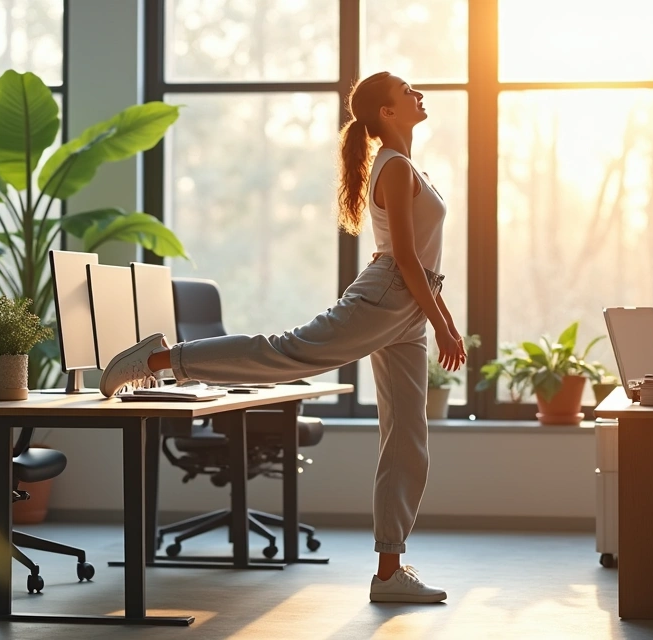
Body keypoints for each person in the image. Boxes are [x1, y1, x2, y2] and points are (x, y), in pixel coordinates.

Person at [99, 71, 465, 604]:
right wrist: (444, 325)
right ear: (386, 112)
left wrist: (437, 318)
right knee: (285, 354)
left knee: (408, 437)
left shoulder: (407, 166)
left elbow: (420, 263)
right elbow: (405, 259)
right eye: (407, 91)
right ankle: (159, 358)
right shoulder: (395, 166)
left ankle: (389, 573)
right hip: (391, 295)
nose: (419, 94)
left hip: (409, 303)